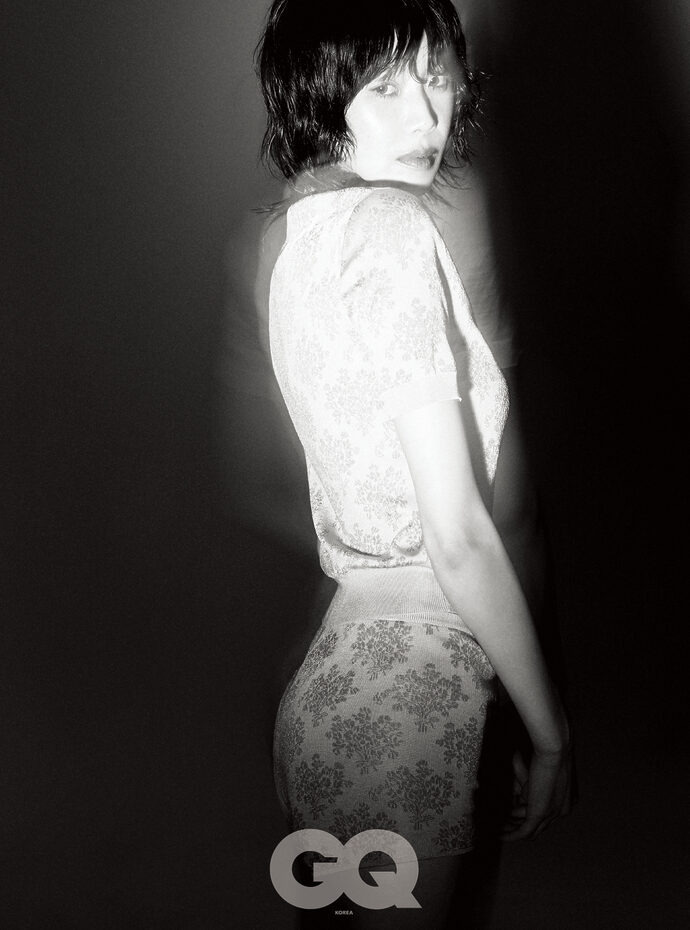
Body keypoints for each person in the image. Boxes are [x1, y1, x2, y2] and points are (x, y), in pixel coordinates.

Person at [255, 1, 572, 925]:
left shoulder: (296, 240)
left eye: (439, 80)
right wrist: (550, 732)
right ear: (324, 95)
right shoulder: (390, 233)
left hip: (330, 697)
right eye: (386, 87)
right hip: (408, 703)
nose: (427, 116)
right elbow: (458, 535)